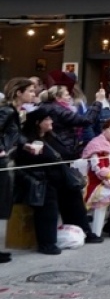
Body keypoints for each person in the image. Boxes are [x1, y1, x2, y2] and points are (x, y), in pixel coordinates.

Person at [13, 107, 104, 254]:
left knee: (73, 196)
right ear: (38, 123)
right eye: (47, 119)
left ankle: (84, 231)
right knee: (49, 203)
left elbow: (65, 154)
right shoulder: (28, 141)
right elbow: (24, 163)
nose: (51, 122)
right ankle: (46, 242)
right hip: (38, 180)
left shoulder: (51, 136)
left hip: (59, 176)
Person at [1, 78, 38, 252]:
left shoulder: (16, 112)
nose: (34, 94)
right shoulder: (7, 111)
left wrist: (26, 144)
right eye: (30, 91)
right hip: (4, 160)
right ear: (19, 93)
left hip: (9, 159)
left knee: (5, 201)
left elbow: (13, 134)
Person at [40, 85, 100, 160]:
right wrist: (98, 102)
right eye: (67, 95)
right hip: (63, 147)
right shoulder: (58, 110)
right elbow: (87, 120)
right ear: (58, 98)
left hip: (61, 145)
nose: (69, 97)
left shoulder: (54, 107)